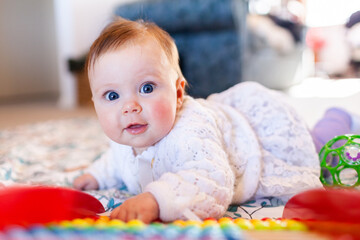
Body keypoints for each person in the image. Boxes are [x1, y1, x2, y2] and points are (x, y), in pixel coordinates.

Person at [73, 17, 355, 224]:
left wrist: (156, 199)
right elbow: (116, 160)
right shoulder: (127, 136)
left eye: (147, 88)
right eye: (111, 95)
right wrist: (96, 175)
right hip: (231, 124)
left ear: (179, 92)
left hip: (259, 142)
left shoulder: (190, 132)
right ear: (95, 104)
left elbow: (211, 180)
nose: (130, 107)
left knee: (319, 149)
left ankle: (337, 117)